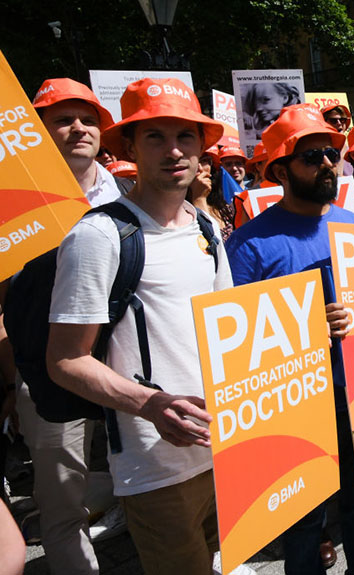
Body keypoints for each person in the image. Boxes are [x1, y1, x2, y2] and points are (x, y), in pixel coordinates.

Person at [45, 77, 231, 575]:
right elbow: (65, 360)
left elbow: (229, 327)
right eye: (155, 137)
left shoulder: (208, 228)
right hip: (156, 465)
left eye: (185, 136)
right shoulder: (98, 236)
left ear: (202, 148)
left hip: (226, 448)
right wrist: (151, 405)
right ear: (129, 147)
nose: (174, 150)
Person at [227, 103, 354, 572]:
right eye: (312, 156)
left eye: (330, 153)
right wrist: (306, 329)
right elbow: (238, 346)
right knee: (303, 520)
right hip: (297, 408)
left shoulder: (352, 223)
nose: (327, 162)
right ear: (281, 171)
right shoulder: (247, 247)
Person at [11, 78, 126, 575]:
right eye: (63, 119)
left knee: (150, 483)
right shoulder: (11, 206)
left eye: (88, 119)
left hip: (127, 368)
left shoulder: (130, 191)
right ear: (37, 132)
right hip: (47, 376)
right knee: (61, 504)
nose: (79, 128)